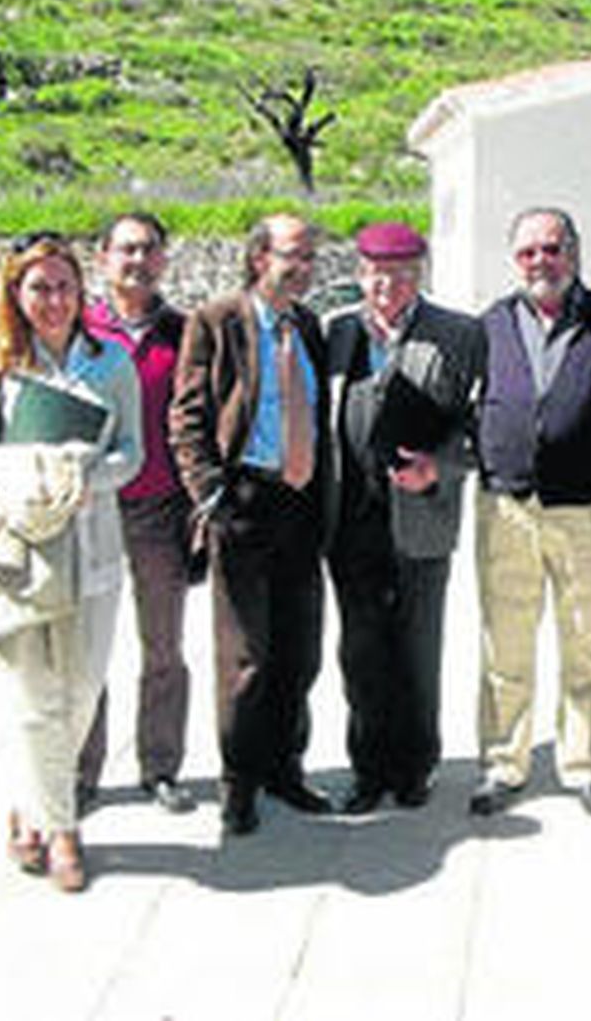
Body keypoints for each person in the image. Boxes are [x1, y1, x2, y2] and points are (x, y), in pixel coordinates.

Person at [0, 233, 142, 891]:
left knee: (82, 688)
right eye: (39, 288)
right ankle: (63, 831)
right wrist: (31, 470)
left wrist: (87, 474)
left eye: (63, 286)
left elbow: (134, 454)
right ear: (15, 292)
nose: (53, 300)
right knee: (36, 694)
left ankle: (28, 803)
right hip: (25, 549)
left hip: (92, 543)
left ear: (80, 291)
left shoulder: (111, 362)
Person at [469, 206, 591, 822]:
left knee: (588, 644)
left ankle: (585, 764)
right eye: (528, 253)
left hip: (588, 512)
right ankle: (502, 762)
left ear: (574, 252)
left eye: (552, 249)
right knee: (505, 647)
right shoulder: (490, 325)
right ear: (513, 260)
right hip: (507, 507)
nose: (541, 262)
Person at [169, 213, 332, 836]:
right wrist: (211, 493)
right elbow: (187, 418)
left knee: (299, 649)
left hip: (301, 505)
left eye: (312, 257)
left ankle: (285, 769)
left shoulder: (308, 326)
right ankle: (238, 784)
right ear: (260, 256)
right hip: (243, 504)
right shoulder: (217, 320)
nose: (305, 267)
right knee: (246, 658)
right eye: (295, 254)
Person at [322, 222, 483, 815]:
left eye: (402, 272)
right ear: (360, 273)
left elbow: (482, 425)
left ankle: (415, 766)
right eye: (376, 272)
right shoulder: (336, 332)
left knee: (418, 645)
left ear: (421, 273)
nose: (387, 284)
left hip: (422, 513)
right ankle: (368, 769)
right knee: (361, 651)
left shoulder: (459, 335)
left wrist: (439, 467)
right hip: (352, 518)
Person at [77, 212, 196, 816]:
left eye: (150, 249)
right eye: (126, 249)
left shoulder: (185, 333)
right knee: (85, 646)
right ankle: (80, 770)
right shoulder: (80, 330)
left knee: (163, 648)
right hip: (87, 510)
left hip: (159, 510)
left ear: (163, 261)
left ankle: (161, 766)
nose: (138, 261)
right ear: (103, 258)